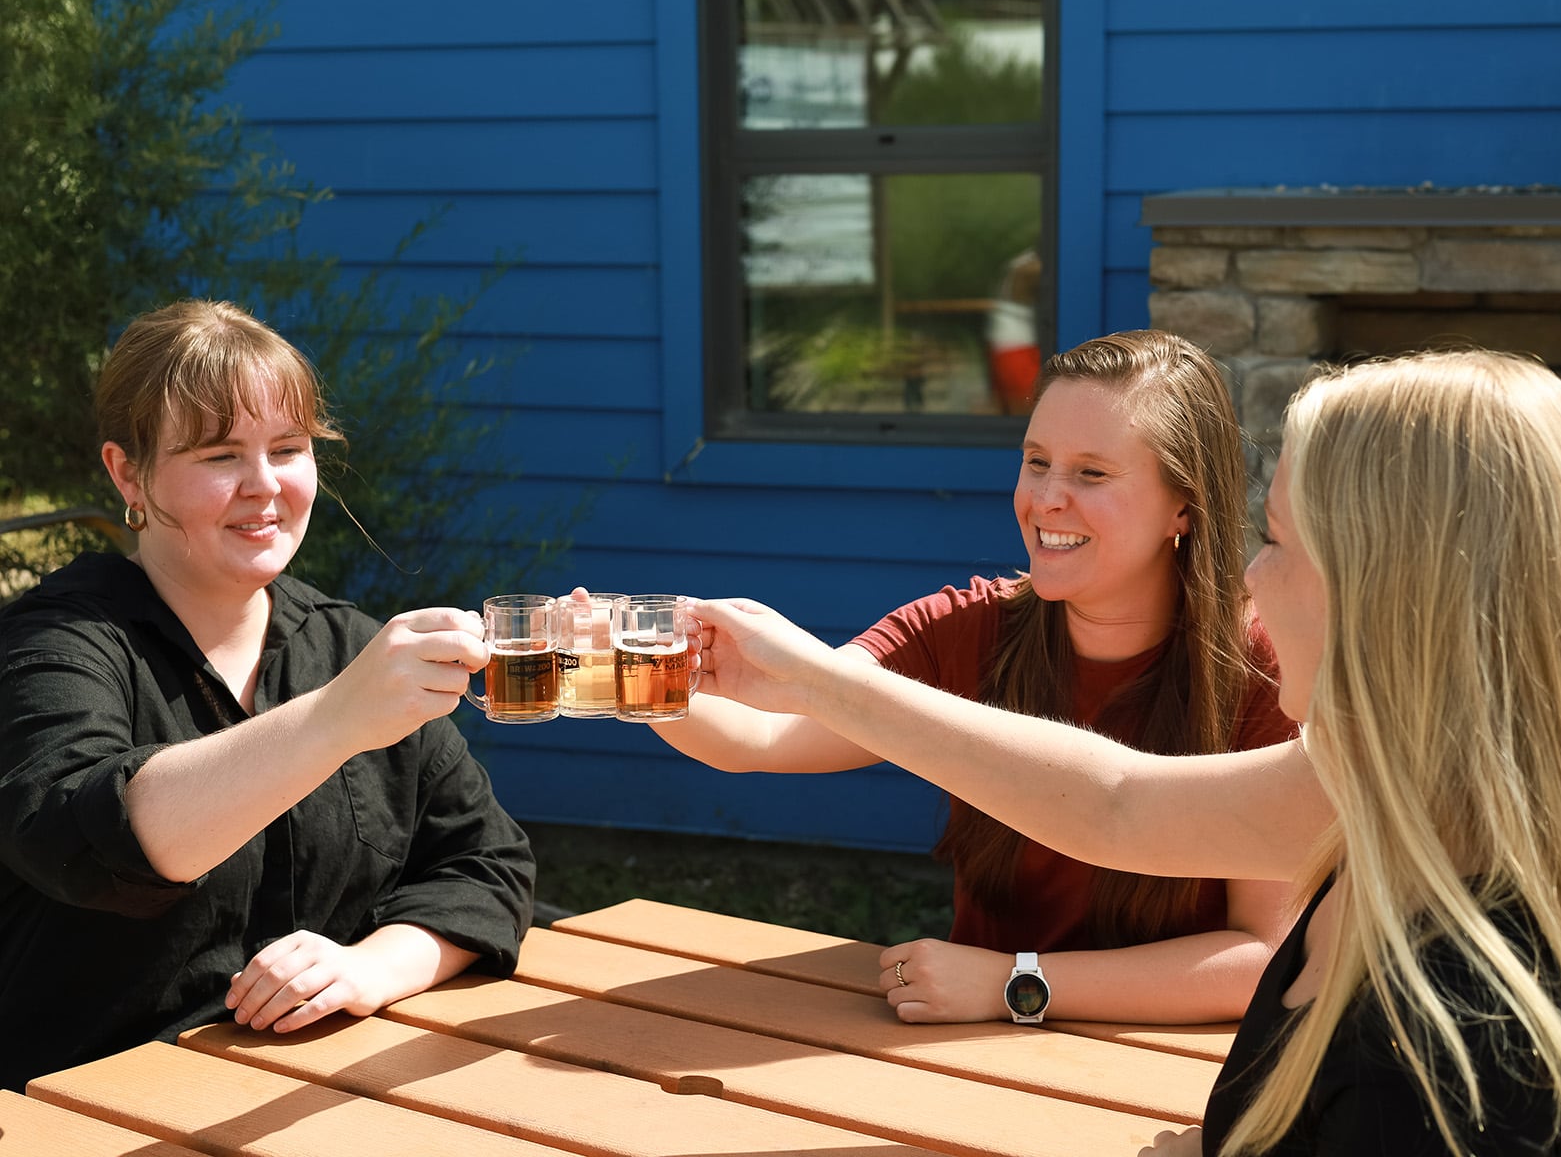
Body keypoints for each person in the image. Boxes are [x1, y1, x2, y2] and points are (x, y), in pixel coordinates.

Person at [689, 348, 1561, 1156]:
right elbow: (1119, 804)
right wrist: (648, 682)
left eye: (1278, 541)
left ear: (1394, 589)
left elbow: (1131, 817)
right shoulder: (1380, 780)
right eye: (1037, 460)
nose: (1252, 573)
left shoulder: (1450, 1055)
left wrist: (1018, 984)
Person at [649, 330, 1300, 1026]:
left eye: (1091, 474)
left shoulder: (1267, 663)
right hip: (960, 1055)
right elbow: (765, 737)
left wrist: (1015, 984)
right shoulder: (965, 627)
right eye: (1037, 461)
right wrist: (629, 676)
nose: (1047, 498)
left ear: (1184, 504)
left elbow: (1262, 956)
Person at [0, 299, 538, 1091]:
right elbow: (92, 843)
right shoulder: (56, 642)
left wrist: (369, 969)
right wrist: (336, 720)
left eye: (288, 449)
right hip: (80, 1111)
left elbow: (487, 864)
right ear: (128, 473)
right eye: (220, 456)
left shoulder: (348, 646)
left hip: (321, 1099)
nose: (265, 487)